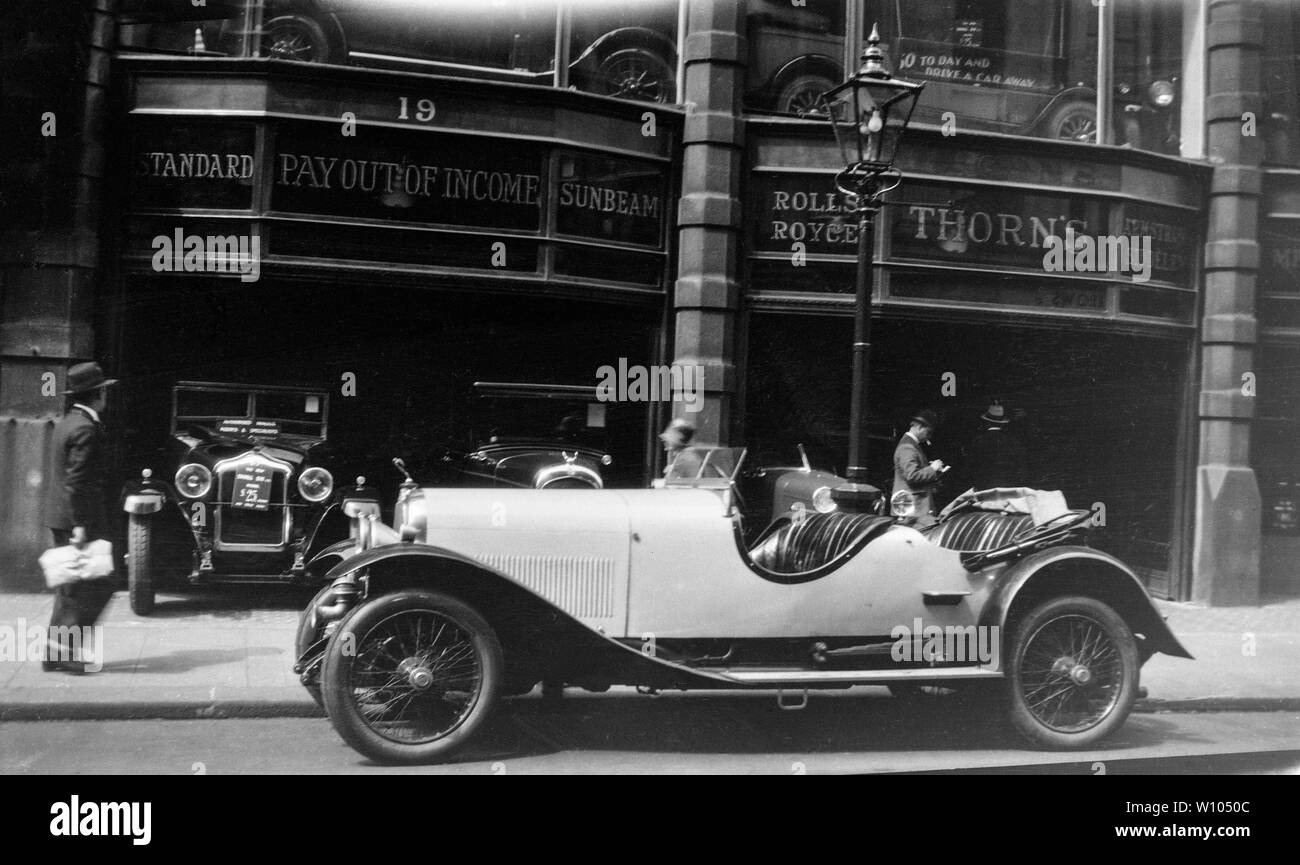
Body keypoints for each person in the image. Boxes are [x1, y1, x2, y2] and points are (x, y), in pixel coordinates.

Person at [41, 362, 118, 674]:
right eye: (104, 392)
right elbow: (77, 482)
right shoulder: (85, 428)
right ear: (97, 394)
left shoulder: (68, 422)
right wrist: (81, 527)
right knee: (95, 587)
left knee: (70, 588)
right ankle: (65, 654)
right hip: (77, 520)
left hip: (62, 516)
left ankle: (55, 653)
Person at [892, 409, 947, 527]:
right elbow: (911, 475)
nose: (929, 437)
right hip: (913, 510)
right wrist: (932, 468)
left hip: (912, 508)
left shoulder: (910, 445)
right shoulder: (908, 447)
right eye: (929, 432)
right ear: (919, 427)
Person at [966, 400, 1029, 490]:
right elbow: (1022, 471)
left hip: (983, 489)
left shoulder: (977, 442)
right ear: (1003, 424)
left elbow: (970, 469)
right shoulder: (1014, 442)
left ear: (986, 422)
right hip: (1008, 489)